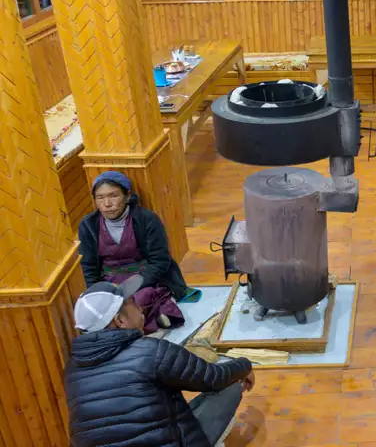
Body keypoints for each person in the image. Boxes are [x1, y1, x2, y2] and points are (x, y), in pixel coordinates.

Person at [66, 276, 255, 447]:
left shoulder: (72, 371)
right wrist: (244, 365)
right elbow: (214, 377)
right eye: (132, 302)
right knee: (230, 384)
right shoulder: (151, 351)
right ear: (120, 320)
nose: (140, 307)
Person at [78, 171, 191, 334]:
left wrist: (131, 287)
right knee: (101, 308)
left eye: (113, 196)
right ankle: (152, 319)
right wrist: (98, 294)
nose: (107, 203)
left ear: (127, 195)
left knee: (135, 300)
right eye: (100, 198)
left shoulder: (146, 219)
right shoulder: (88, 224)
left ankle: (143, 324)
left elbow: (160, 261)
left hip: (144, 278)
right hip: (110, 282)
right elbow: (88, 266)